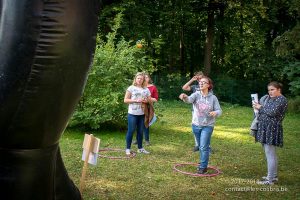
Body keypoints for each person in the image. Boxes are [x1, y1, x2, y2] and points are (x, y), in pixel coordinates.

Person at [179, 76, 222, 174]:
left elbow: (219, 110)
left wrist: (216, 113)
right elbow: (189, 100)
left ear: (209, 85)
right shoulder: (196, 94)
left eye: (204, 82)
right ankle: (203, 161)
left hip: (208, 125)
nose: (201, 83)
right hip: (196, 124)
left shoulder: (213, 98)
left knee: (203, 146)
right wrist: (184, 97)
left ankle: (203, 167)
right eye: (200, 82)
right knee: (200, 146)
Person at [252, 81, 288, 185]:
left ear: (279, 90)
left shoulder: (282, 99)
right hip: (264, 128)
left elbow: (272, 112)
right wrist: (257, 107)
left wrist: (260, 107)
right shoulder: (271, 99)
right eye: (269, 90)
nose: (270, 92)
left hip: (271, 129)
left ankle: (269, 180)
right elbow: (264, 110)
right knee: (270, 153)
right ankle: (273, 176)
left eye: (272, 89)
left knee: (270, 154)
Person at [124, 72, 151, 155]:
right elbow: (125, 100)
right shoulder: (131, 88)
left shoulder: (146, 89)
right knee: (131, 130)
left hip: (142, 114)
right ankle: (128, 149)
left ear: (143, 80)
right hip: (132, 113)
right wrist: (135, 100)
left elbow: (149, 100)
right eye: (138, 78)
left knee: (140, 131)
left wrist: (146, 101)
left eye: (141, 79)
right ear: (135, 79)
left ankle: (140, 148)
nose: (139, 80)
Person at [182, 71, 204, 152]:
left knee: (206, 128)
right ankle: (197, 145)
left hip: (205, 111)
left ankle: (206, 146)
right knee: (196, 127)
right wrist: (192, 80)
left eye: (200, 77)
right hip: (195, 111)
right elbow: (184, 88)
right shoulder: (195, 87)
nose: (199, 79)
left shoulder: (207, 86)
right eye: (197, 77)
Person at [134, 72, 158, 146]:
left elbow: (155, 99)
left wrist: (148, 100)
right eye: (144, 77)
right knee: (138, 124)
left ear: (149, 78)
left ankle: (147, 140)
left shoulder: (152, 87)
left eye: (147, 77)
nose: (145, 79)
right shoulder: (138, 87)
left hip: (147, 108)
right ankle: (137, 140)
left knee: (146, 123)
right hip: (137, 107)